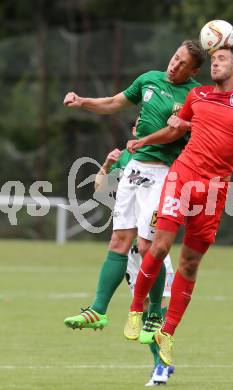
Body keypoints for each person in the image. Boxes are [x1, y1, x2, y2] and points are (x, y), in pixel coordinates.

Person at [63, 40, 205, 381]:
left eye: (183, 63)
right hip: (134, 172)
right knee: (119, 243)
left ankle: (155, 314)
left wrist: (181, 127)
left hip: (163, 177)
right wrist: (83, 102)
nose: (174, 66)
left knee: (147, 248)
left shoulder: (195, 97)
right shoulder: (149, 79)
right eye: (174, 58)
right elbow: (113, 102)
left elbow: (188, 134)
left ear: (193, 71)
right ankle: (98, 310)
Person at [123, 46, 233, 366]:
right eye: (213, 60)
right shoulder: (197, 95)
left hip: (214, 190)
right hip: (182, 177)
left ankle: (167, 334)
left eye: (222, 60)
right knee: (158, 247)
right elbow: (177, 127)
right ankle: (136, 310)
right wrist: (150, 137)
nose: (215, 63)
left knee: (189, 265)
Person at [95, 148, 175, 386]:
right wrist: (106, 165)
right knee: (143, 312)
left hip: (152, 248)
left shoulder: (165, 157)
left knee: (157, 310)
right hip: (130, 255)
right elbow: (100, 190)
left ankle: (161, 365)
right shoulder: (126, 158)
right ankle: (159, 362)